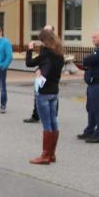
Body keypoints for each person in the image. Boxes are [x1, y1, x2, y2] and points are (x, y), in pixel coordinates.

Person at [26, 29, 65, 165]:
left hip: (43, 93)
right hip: (54, 91)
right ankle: (52, 154)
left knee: (47, 124)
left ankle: (45, 156)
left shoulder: (46, 54)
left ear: (44, 40)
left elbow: (29, 63)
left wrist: (30, 50)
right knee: (54, 121)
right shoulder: (59, 55)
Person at [24, 25, 56, 123]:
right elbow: (43, 61)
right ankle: (36, 115)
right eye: (44, 30)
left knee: (51, 97)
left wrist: (30, 50)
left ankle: (52, 116)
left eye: (48, 30)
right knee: (38, 94)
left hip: (50, 77)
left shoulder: (55, 47)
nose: (45, 32)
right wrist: (38, 69)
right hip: (43, 75)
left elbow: (31, 62)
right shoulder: (44, 47)